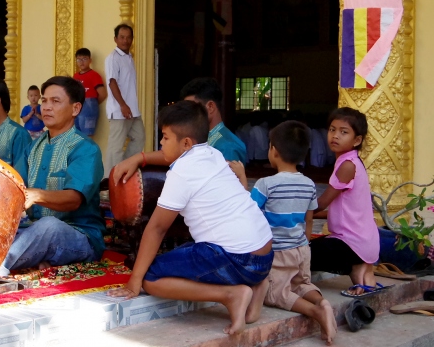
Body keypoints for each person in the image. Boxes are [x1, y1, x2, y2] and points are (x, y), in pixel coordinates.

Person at [108, 100, 274, 336]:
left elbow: (156, 228)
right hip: (264, 256)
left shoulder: (182, 172)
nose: (161, 143)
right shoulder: (213, 153)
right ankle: (257, 285)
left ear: (185, 142)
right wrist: (140, 158)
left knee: (151, 277)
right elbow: (170, 156)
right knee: (190, 249)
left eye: (165, 137)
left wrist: (135, 281)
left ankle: (232, 295)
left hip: (236, 259)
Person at [231, 121, 335, 345]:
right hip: (301, 249)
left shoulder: (266, 184)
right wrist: (304, 244)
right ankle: (321, 302)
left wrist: (241, 176)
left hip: (278, 252)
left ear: (273, 151)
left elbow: (248, 209)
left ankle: (315, 311)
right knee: (301, 284)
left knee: (276, 293)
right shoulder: (309, 184)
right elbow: (308, 219)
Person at [0, 76, 104, 276]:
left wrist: (36, 195)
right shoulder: (34, 147)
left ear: (75, 109)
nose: (46, 107)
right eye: (44, 100)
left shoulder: (86, 149)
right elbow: (16, 187)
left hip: (78, 235)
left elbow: (73, 200)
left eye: (55, 101)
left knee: (50, 227)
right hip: (33, 230)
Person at [110, 77, 247, 184]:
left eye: (192, 107)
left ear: (210, 107)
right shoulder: (201, 137)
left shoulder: (228, 146)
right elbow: (174, 154)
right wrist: (139, 157)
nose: (187, 113)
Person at [310, 108, 383, 297]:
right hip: (364, 242)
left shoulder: (347, 166)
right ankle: (361, 272)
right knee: (315, 245)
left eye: (344, 132)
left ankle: (356, 266)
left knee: (299, 255)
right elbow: (337, 210)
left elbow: (320, 204)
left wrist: (291, 209)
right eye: (332, 129)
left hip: (351, 244)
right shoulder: (351, 161)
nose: (335, 136)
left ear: (357, 140)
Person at [104, 24, 145, 175]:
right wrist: (122, 105)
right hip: (119, 110)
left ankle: (123, 169)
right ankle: (109, 184)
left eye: (128, 37)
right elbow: (112, 82)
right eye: (122, 37)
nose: (125, 40)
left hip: (132, 110)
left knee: (139, 138)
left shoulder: (129, 57)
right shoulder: (112, 58)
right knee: (115, 148)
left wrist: (128, 106)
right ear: (115, 39)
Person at [73, 48, 107, 137]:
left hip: (89, 107)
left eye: (84, 59)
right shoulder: (75, 76)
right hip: (77, 107)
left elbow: (103, 94)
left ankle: (87, 151)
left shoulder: (94, 75)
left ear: (90, 60)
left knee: (87, 135)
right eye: (79, 59)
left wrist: (92, 104)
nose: (81, 62)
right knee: (76, 135)